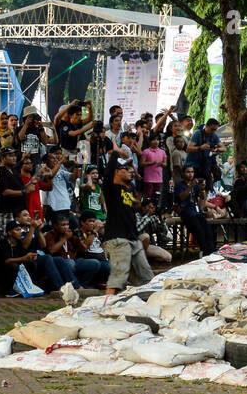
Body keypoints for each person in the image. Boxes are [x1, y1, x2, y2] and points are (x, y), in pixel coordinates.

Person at [100, 152, 153, 294]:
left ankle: (144, 304)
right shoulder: (111, 188)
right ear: (117, 172)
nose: (130, 171)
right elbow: (108, 173)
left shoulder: (129, 189)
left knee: (147, 277)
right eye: (126, 169)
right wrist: (114, 152)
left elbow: (137, 203)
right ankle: (106, 304)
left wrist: (135, 175)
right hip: (117, 238)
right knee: (118, 277)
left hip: (132, 238)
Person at [173, 165, 216, 255]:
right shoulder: (179, 185)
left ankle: (211, 252)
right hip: (186, 212)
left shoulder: (196, 185)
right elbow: (181, 197)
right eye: (188, 172)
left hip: (196, 212)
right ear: (183, 173)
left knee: (208, 230)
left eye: (192, 172)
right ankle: (204, 252)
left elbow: (202, 199)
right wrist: (190, 187)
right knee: (199, 231)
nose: (190, 174)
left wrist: (203, 188)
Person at [53, 99, 95, 164]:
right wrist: (71, 105)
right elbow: (73, 133)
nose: (79, 117)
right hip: (65, 153)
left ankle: (84, 169)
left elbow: (90, 119)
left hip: (76, 152)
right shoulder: (62, 124)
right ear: (70, 115)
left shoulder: (77, 123)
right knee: (74, 159)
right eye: (77, 115)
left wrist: (90, 108)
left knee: (85, 150)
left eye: (80, 115)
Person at [187, 119, 222, 183]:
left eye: (215, 129)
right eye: (212, 129)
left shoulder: (214, 136)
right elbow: (188, 149)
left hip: (206, 167)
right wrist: (200, 147)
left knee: (206, 186)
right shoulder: (197, 133)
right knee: (196, 187)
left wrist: (216, 150)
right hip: (194, 167)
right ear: (206, 126)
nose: (214, 131)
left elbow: (223, 148)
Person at [139, 134, 166, 203]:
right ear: (150, 141)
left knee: (157, 197)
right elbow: (141, 163)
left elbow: (165, 164)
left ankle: (155, 211)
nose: (156, 141)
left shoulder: (162, 152)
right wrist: (151, 163)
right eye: (154, 140)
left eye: (157, 140)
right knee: (148, 197)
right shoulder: (146, 151)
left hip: (159, 179)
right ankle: (147, 211)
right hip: (148, 179)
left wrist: (161, 164)